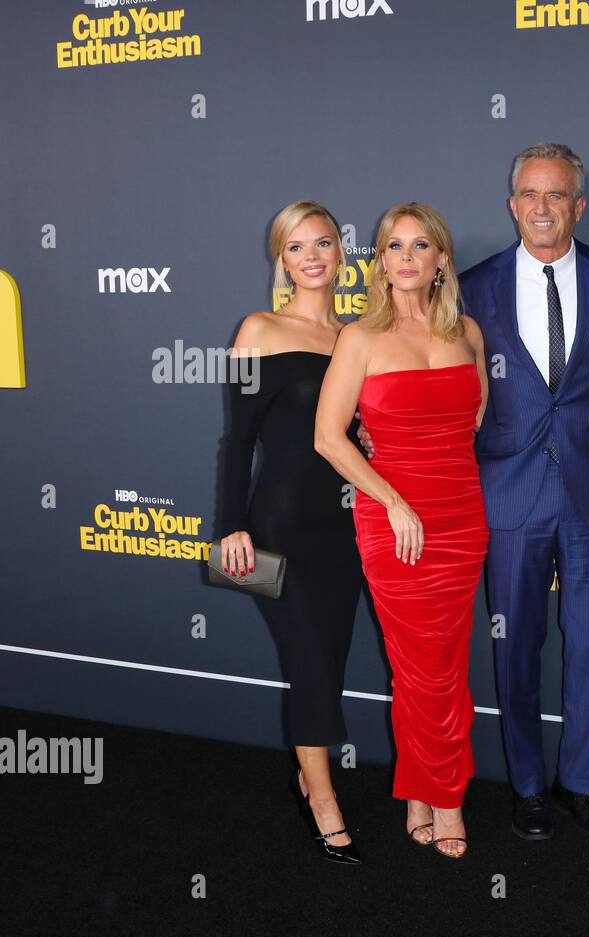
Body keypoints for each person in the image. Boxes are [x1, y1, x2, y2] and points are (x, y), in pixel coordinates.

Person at [457, 144, 589, 841]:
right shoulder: (472, 286)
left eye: (557, 195)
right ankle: (529, 786)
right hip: (508, 491)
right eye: (530, 195)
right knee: (516, 644)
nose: (543, 207)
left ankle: (580, 783)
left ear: (579, 205)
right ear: (513, 205)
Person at [315, 203, 489, 859]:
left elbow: (473, 422)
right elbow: (329, 437)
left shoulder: (467, 333)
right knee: (419, 667)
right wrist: (392, 494)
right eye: (395, 246)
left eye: (422, 245)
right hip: (392, 521)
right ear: (380, 261)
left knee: (443, 663)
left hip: (459, 517)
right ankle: (445, 799)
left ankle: (422, 788)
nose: (408, 257)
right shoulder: (358, 338)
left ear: (441, 258)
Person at [215, 200, 363, 865]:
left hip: (345, 526)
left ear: (341, 252)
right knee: (307, 659)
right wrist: (228, 529)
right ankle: (324, 801)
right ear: (282, 257)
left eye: (323, 243)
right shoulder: (257, 328)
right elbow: (235, 440)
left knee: (328, 659)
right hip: (273, 527)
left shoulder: (359, 336)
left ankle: (311, 772)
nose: (311, 256)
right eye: (296, 246)